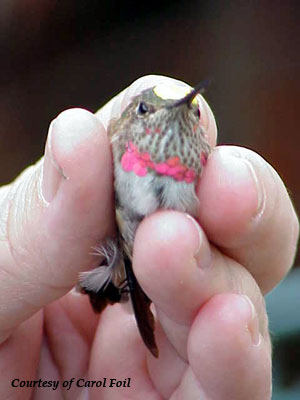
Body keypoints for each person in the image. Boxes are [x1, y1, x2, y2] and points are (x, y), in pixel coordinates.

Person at [0, 75, 298, 399]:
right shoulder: (115, 140)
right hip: (128, 251)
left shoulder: (198, 156)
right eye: (145, 109)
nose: (169, 113)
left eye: (191, 113)